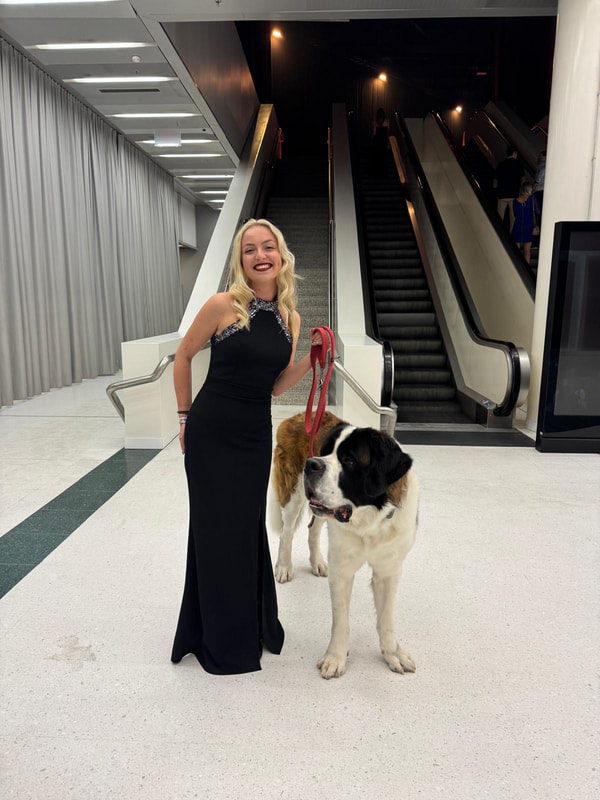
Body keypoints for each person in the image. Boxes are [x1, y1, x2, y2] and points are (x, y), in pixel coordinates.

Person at [171, 218, 327, 675]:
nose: (260, 255)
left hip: (255, 435)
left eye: (268, 246)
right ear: (240, 260)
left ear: (281, 255)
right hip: (212, 431)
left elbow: (275, 386)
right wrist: (183, 416)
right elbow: (183, 356)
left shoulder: (290, 318)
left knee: (244, 529)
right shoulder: (223, 305)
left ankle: (250, 624)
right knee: (213, 531)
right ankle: (217, 636)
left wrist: (311, 360)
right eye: (249, 249)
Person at [494, 145, 524, 231]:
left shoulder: (501, 164)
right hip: (514, 195)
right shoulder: (518, 164)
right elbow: (523, 179)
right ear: (514, 153)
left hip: (502, 194)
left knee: (499, 217)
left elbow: (495, 180)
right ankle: (511, 235)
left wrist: (495, 191)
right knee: (513, 218)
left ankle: (498, 232)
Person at [512, 182, 535, 263]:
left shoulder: (515, 201)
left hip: (518, 226)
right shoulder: (532, 200)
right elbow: (538, 211)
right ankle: (526, 268)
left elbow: (515, 214)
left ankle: (516, 267)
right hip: (529, 227)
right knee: (527, 251)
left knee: (516, 252)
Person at [370, 107, 389, 176]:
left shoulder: (375, 121)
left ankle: (376, 173)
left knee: (377, 158)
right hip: (383, 142)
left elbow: (374, 133)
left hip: (377, 142)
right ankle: (383, 173)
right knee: (383, 158)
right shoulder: (386, 121)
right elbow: (387, 133)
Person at [533, 149, 546, 221]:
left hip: (539, 189)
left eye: (540, 156)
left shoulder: (543, 165)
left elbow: (542, 172)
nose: (539, 157)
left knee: (538, 208)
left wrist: (537, 182)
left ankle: (539, 223)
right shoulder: (542, 165)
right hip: (541, 189)